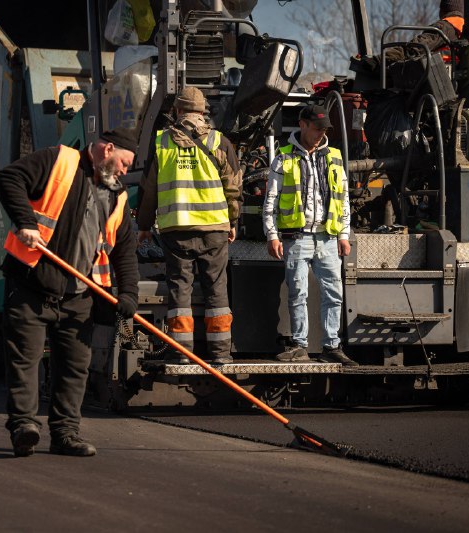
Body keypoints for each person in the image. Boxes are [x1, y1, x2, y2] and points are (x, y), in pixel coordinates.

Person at [0, 128, 139, 458]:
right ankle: (23, 426)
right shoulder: (59, 160)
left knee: (74, 368)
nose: (125, 171)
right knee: (25, 361)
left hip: (80, 295)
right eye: (125, 163)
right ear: (108, 149)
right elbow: (9, 178)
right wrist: (25, 222)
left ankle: (65, 434)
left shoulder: (117, 196)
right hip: (31, 284)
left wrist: (129, 294)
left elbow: (124, 251)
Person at [137, 86, 242, 365]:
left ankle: (181, 353)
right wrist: (233, 221)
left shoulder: (162, 143)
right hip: (214, 229)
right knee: (216, 289)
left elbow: (149, 189)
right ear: (203, 112)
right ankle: (220, 353)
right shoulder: (220, 142)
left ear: (177, 111)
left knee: (179, 290)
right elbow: (233, 187)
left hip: (176, 230)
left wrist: (144, 225)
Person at [263, 104, 358, 367]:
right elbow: (270, 200)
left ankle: (331, 346)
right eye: (317, 128)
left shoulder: (334, 156)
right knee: (298, 293)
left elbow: (343, 199)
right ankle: (300, 345)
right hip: (297, 237)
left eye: (324, 130)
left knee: (334, 293)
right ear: (302, 125)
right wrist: (272, 235)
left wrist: (343, 234)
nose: (321, 134)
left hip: (327, 237)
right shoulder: (283, 158)